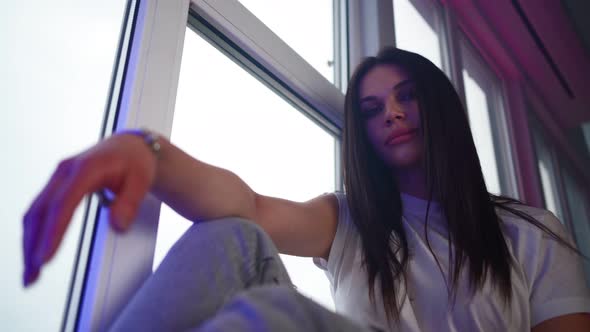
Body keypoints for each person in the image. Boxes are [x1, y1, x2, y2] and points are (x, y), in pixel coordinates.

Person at [22, 47, 590, 331]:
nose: (390, 115)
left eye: (407, 96)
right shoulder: (354, 223)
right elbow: (247, 206)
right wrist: (144, 149)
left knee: (271, 311)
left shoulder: (532, 234)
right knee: (233, 237)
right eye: (371, 110)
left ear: (439, 102)